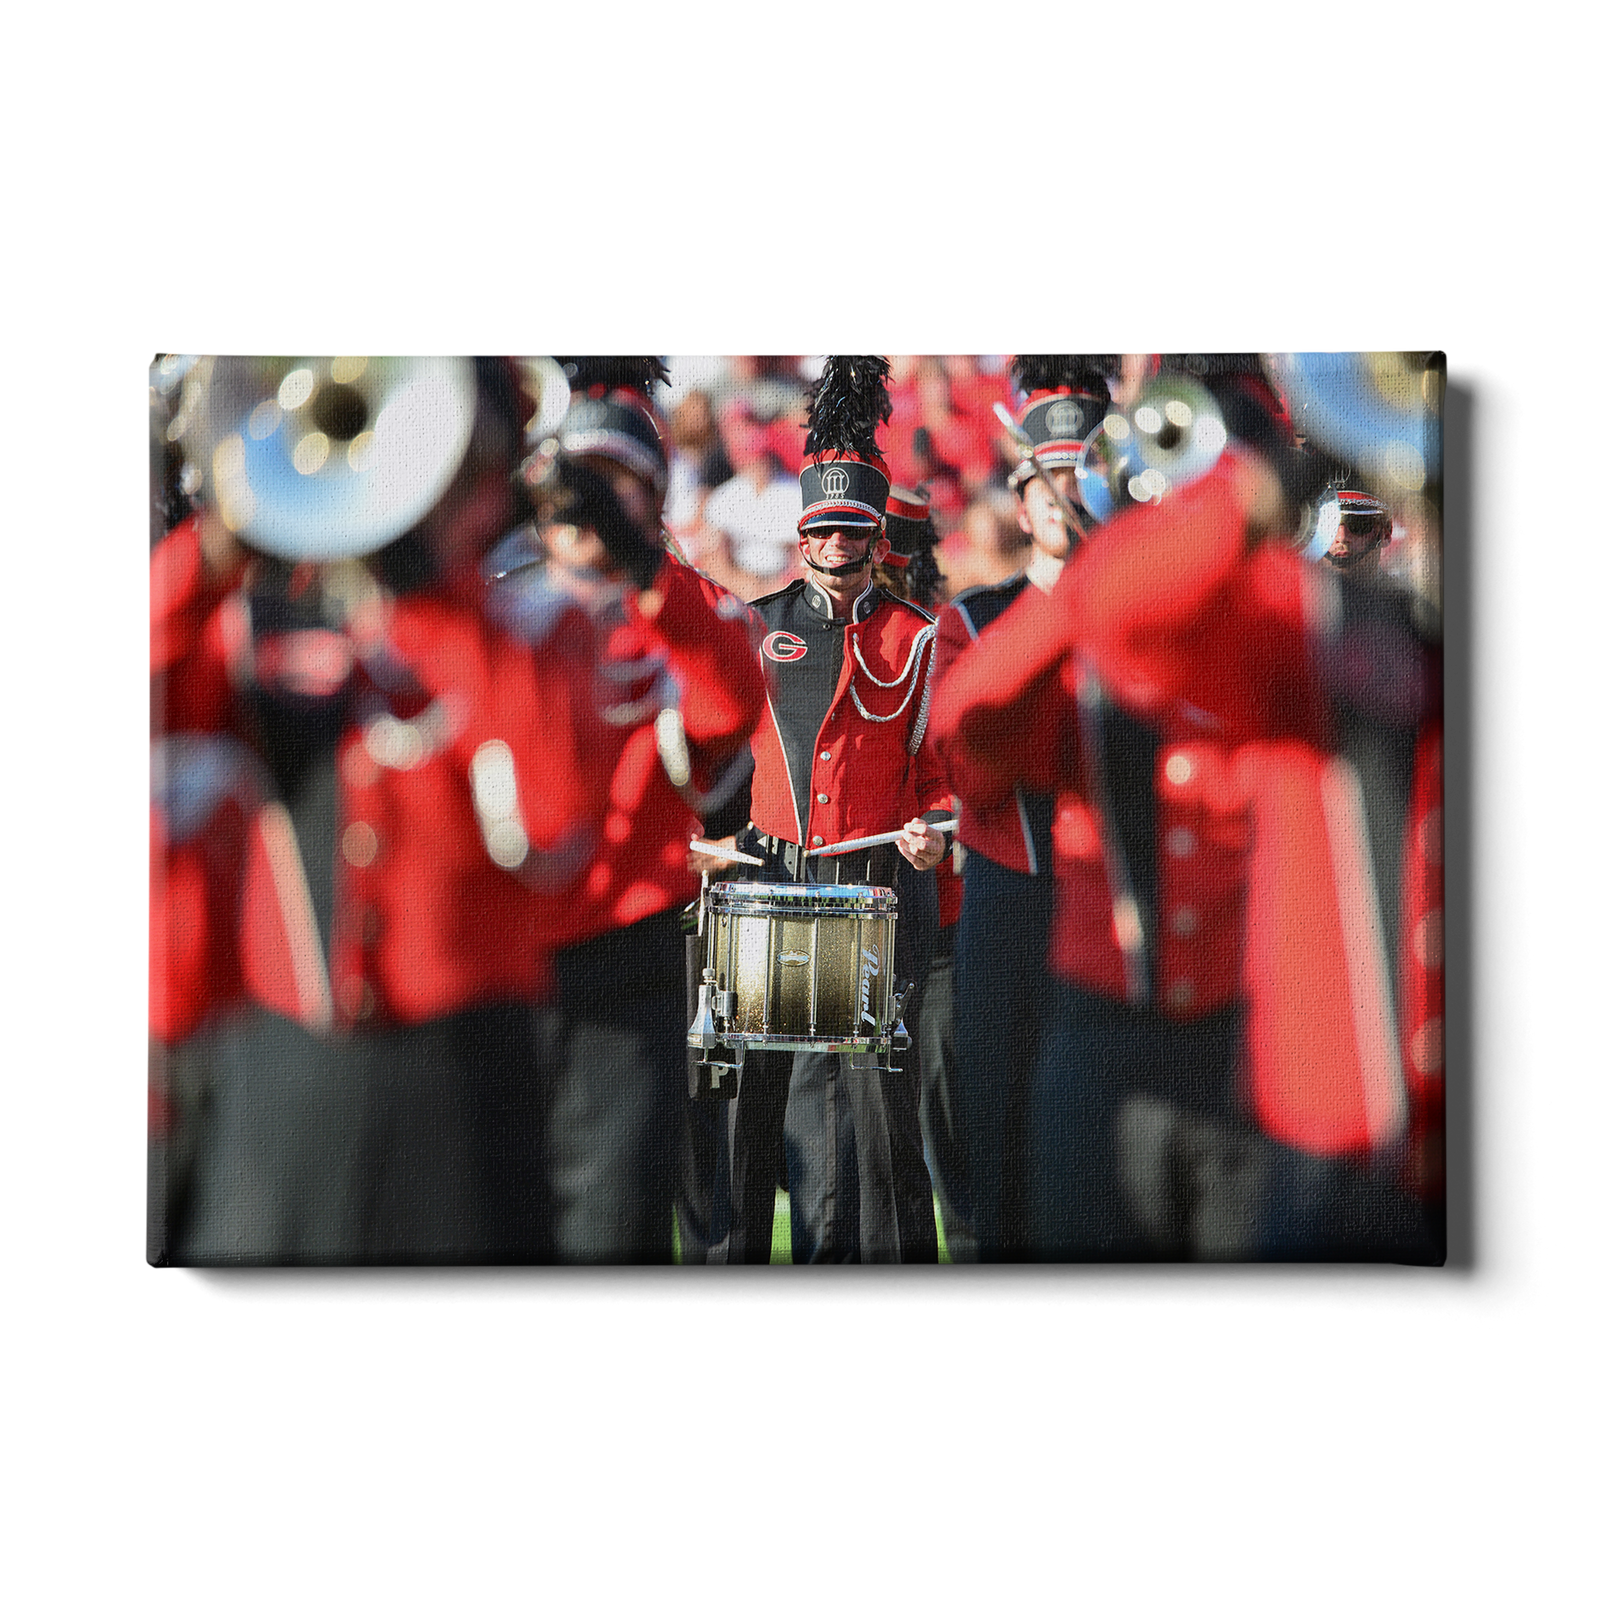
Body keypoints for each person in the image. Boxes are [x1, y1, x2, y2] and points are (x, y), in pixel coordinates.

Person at [931, 351, 1437, 1259]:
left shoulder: (1303, 612)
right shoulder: (1105, 600)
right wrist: (1152, 534)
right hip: (1103, 1038)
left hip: (1255, 1045)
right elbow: (973, 730)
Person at [157, 353, 620, 1263]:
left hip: (464, 1081)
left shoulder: (540, 630)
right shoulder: (253, 626)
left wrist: (428, 591)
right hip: (279, 1076)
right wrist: (222, 538)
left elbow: (555, 820)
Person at [497, 354, 767, 1261]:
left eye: (615, 484)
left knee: (612, 1231)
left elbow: (728, 704)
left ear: (651, 499)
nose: (589, 504)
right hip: (506, 970)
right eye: (579, 483)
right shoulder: (498, 607)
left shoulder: (692, 613)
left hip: (625, 962)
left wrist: (642, 558)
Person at [702, 352, 949, 1264]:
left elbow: (938, 771)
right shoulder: (754, 625)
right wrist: (705, 839)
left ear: (876, 536)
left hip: (877, 881)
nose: (838, 546)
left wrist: (934, 834)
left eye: (852, 531)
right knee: (748, 1113)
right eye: (823, 531)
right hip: (768, 877)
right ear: (802, 536)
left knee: (885, 1122)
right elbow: (718, 758)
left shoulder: (916, 636)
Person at [928, 351, 1113, 1260]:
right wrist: (1062, 605)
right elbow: (979, 778)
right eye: (1046, 482)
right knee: (998, 1128)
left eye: (1078, 478)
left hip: (1113, 897)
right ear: (1021, 497)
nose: (1061, 496)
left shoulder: (1140, 605)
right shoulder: (973, 619)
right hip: (1008, 894)